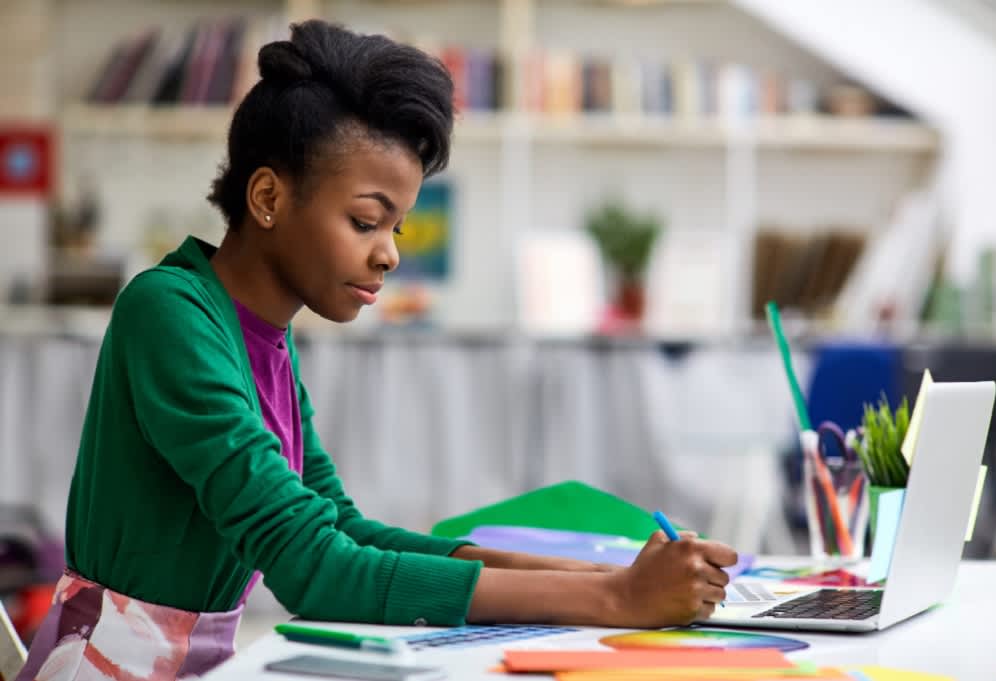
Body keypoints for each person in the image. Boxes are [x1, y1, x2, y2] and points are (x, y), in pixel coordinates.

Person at [17, 20, 737, 680]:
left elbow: (340, 527)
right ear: (267, 197)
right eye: (366, 220)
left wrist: (589, 576)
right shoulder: (167, 311)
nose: (389, 254)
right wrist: (612, 597)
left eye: (396, 226)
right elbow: (312, 569)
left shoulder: (259, 336)